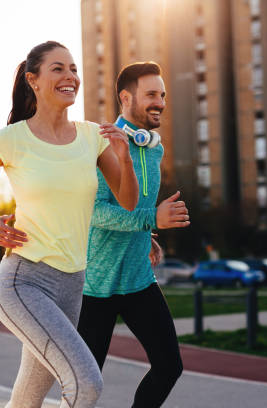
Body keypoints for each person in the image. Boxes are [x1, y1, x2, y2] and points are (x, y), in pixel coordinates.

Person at [0, 41, 139, 408]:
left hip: (72, 284)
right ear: (33, 80)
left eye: (73, 69)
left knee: (27, 400)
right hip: (23, 281)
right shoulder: (11, 139)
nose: (70, 76)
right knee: (86, 384)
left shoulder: (91, 137)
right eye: (58, 69)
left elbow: (127, 201)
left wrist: (125, 160)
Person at [77, 61, 189, 408]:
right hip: (96, 284)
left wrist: (148, 233)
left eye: (163, 95)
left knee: (170, 365)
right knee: (86, 383)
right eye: (152, 94)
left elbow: (134, 205)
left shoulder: (155, 146)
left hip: (139, 278)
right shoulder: (101, 145)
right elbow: (94, 212)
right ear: (126, 97)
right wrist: (150, 219)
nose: (161, 102)